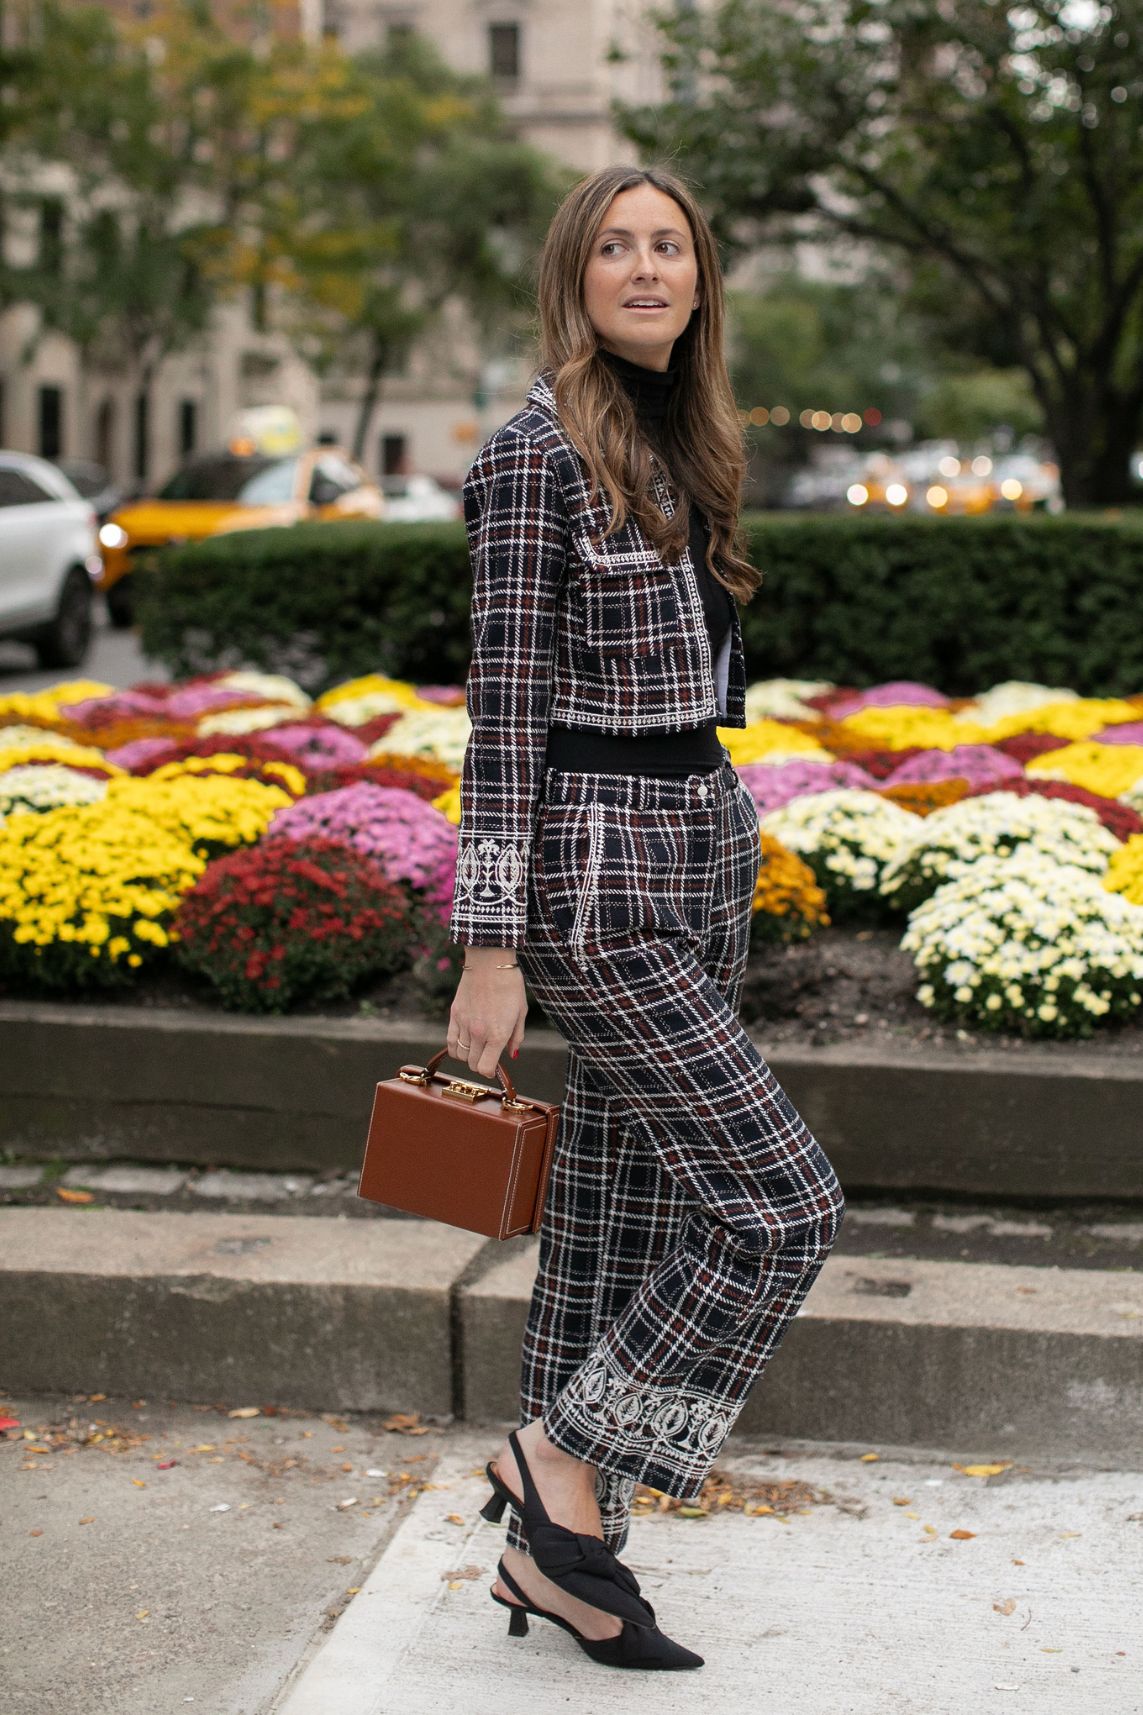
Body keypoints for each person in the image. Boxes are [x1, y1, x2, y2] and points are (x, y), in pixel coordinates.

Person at [446, 163, 846, 1670]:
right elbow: (499, 720)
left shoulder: (683, 446)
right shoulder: (533, 459)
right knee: (779, 1206)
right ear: (574, 276)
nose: (643, 265)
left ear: (700, 277)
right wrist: (491, 946)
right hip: (595, 887)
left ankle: (568, 1565)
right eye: (613, 245)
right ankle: (556, 1451)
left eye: (667, 244)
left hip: (693, 856)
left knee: (618, 1221)